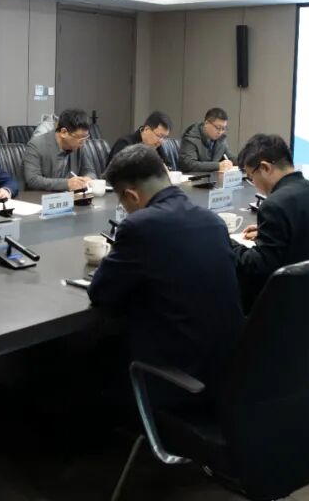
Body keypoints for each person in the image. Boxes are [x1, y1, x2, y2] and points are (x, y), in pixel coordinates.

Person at [89, 144, 244, 410]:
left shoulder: (140, 227)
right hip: (230, 376)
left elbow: (101, 293)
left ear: (131, 195)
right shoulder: (212, 221)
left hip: (180, 381)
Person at [231, 134, 309, 311]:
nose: (254, 183)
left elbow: (258, 268)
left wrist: (228, 243)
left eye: (251, 177)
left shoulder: (274, 205)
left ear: (265, 168)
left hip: (286, 306)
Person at [23, 108, 98, 191]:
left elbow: (89, 171)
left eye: (86, 138)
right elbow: (33, 180)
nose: (83, 143)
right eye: (81, 139)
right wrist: (66, 184)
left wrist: (88, 179)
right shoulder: (36, 145)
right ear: (64, 132)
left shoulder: (79, 146)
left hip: (73, 196)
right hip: (44, 196)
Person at [106, 110, 173, 170]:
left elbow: (168, 166)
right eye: (159, 136)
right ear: (146, 129)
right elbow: (118, 172)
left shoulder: (156, 146)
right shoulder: (124, 143)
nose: (161, 141)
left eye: (165, 137)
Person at [179, 107, 234, 173]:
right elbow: (189, 164)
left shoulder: (220, 139)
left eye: (223, 128)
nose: (220, 132)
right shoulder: (191, 137)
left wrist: (243, 163)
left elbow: (230, 157)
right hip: (194, 178)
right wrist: (217, 166)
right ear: (206, 123)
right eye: (218, 128)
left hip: (212, 177)